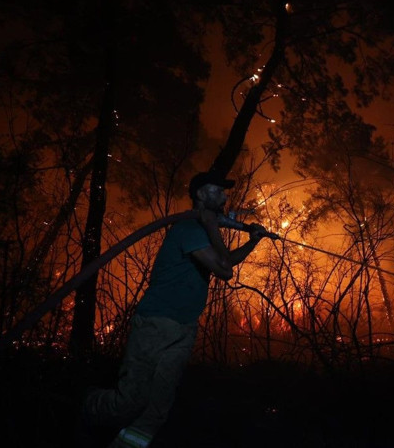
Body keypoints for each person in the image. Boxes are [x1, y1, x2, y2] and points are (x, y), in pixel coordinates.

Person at [79, 170, 270, 448]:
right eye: (218, 191)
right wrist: (212, 227)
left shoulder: (202, 231)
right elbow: (225, 270)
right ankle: (84, 403)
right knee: (129, 402)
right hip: (156, 324)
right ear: (201, 195)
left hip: (184, 327)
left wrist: (252, 241)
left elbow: (225, 261)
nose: (224, 197)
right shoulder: (189, 229)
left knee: (157, 409)